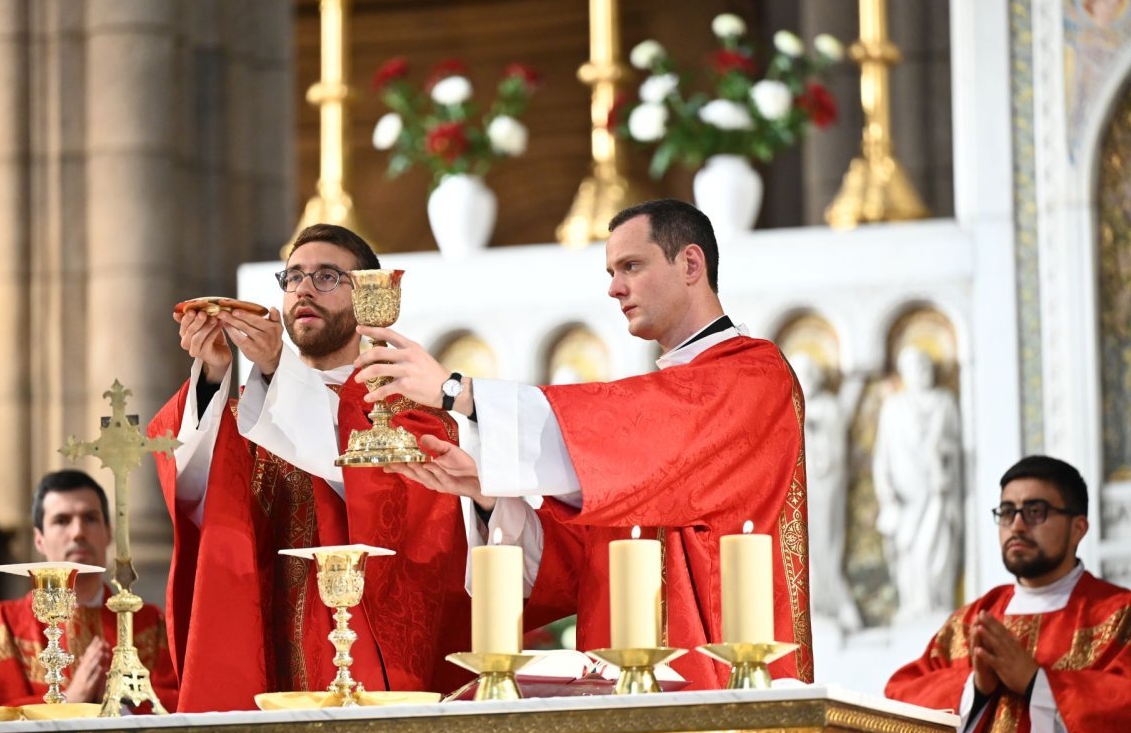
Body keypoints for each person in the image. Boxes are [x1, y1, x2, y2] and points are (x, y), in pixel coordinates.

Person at [356, 199, 813, 688]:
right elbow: (579, 564)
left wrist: (458, 393)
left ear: (691, 264)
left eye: (631, 267)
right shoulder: (660, 415)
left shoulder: (752, 376)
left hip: (722, 678)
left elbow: (637, 421)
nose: (615, 288)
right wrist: (488, 494)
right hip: (624, 691)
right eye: (613, 271)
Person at [149, 223, 472, 712]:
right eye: (293, 276)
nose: (302, 288)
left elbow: (383, 505)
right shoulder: (247, 407)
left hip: (363, 660)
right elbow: (195, 496)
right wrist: (213, 374)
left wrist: (279, 369)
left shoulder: (407, 410)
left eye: (326, 276)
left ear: (367, 296)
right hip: (262, 646)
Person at [886, 455, 1131, 733]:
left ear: (1077, 529)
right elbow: (899, 704)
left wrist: (1035, 682)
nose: (1016, 525)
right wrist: (974, 688)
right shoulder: (971, 621)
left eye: (1035, 512)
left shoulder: (1119, 616)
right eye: (1006, 512)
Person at [0, 470, 178, 712]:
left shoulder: (149, 627)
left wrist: (123, 699)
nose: (78, 532)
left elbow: (186, 704)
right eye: (62, 520)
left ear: (108, 533)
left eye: (90, 518)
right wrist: (66, 702)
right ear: (39, 539)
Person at [872, 343, 963, 621]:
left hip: (937, 493)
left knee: (936, 550)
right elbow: (883, 454)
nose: (921, 373)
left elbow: (957, 447)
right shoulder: (893, 406)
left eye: (925, 366)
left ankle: (937, 601)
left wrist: (942, 453)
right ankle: (914, 604)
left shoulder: (944, 402)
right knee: (909, 551)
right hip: (906, 498)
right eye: (914, 368)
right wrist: (886, 494)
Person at [790, 353, 861, 633]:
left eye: (809, 372)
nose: (806, 378)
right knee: (804, 545)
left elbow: (835, 449)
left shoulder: (828, 407)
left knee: (826, 544)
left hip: (825, 486)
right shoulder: (788, 406)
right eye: (801, 372)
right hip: (797, 492)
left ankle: (834, 602)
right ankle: (812, 606)